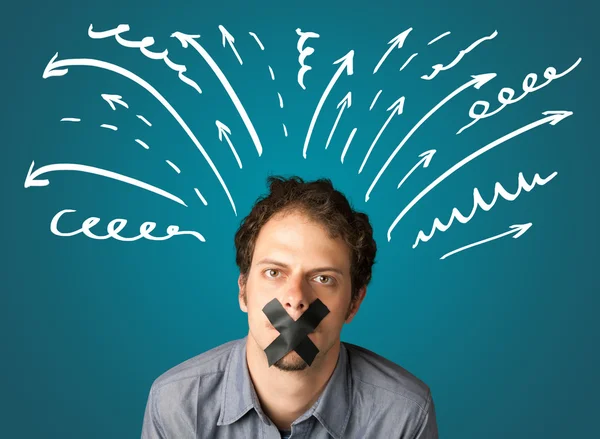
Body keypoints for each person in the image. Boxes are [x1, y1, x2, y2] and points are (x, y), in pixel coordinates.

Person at [141, 175, 438, 439]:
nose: (295, 298)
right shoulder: (176, 404)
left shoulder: (405, 415)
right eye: (274, 272)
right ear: (243, 290)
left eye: (323, 278)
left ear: (354, 302)